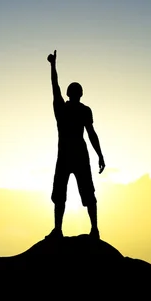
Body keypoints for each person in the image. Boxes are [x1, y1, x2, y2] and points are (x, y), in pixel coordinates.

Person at [46, 50, 105, 239]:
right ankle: (93, 229)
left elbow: (54, 85)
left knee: (63, 194)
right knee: (84, 192)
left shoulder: (62, 108)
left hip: (67, 155)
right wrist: (100, 155)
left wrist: (53, 66)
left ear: (69, 93)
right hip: (78, 154)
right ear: (80, 94)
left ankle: (59, 230)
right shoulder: (82, 110)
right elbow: (92, 134)